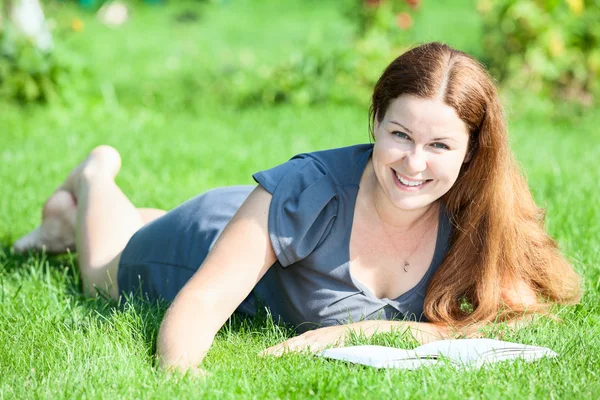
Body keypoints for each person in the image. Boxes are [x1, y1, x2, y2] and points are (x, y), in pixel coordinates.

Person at [13, 42, 581, 374]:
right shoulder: (308, 188)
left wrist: (341, 336)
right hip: (194, 253)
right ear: (375, 123)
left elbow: (507, 321)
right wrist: (190, 378)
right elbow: (203, 303)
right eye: (400, 135)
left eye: (439, 146)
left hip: (257, 224)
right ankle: (95, 178)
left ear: (471, 152)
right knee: (101, 271)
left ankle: (96, 214)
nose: (413, 164)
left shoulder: (476, 211)